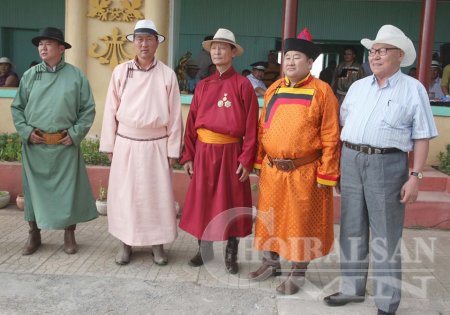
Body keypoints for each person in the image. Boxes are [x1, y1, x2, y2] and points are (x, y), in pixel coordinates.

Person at [324, 25, 438, 315]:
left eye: (382, 51)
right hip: (351, 159)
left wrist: (416, 176)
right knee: (351, 227)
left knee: (386, 233)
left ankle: (387, 302)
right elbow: (342, 126)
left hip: (388, 164)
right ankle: (352, 288)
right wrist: (338, 165)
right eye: (373, 51)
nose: (375, 56)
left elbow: (422, 136)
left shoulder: (414, 89)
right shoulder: (359, 87)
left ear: (400, 55)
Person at [249, 28, 340, 295]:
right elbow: (262, 128)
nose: (289, 61)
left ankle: (298, 271)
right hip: (273, 169)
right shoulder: (274, 89)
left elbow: (331, 135)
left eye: (296, 57)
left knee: (301, 223)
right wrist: (259, 160)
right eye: (287, 56)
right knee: (271, 219)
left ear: (310, 63)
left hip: (305, 171)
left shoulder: (322, 92)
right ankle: (270, 262)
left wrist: (327, 174)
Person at [99, 19, 182, 266]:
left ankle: (158, 245)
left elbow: (176, 114)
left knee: (156, 196)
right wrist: (109, 145)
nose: (144, 44)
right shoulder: (120, 72)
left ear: (157, 43)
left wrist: (173, 148)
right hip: (125, 142)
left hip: (156, 143)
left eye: (149, 39)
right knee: (126, 196)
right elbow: (110, 109)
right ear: (133, 43)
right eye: (139, 39)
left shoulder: (167, 74)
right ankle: (125, 244)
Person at [10, 27, 98, 255]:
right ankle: (34, 234)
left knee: (69, 192)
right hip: (35, 145)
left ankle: (69, 235)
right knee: (33, 193)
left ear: (61, 49)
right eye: (40, 44)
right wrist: (27, 132)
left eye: (48, 44)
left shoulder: (76, 76)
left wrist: (76, 133)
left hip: (65, 144)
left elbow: (87, 109)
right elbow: (17, 108)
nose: (43, 47)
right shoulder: (30, 76)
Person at [179, 28, 259, 274]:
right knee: (203, 202)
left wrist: (246, 160)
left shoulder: (243, 85)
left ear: (233, 53)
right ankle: (204, 250)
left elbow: (252, 128)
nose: (217, 51)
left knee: (231, 202)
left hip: (230, 152)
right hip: (203, 152)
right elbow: (191, 123)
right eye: (214, 47)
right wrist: (188, 155)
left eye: (223, 47)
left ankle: (231, 254)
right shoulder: (202, 86)